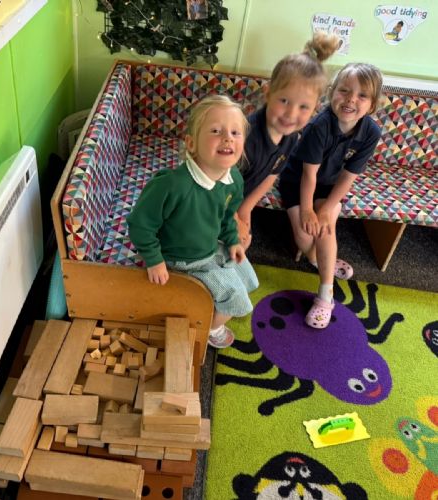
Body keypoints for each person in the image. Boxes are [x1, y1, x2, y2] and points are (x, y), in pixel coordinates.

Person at [127, 95, 259, 349]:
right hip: (182, 260)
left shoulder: (233, 179)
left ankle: (214, 300)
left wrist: (232, 241)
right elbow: (140, 224)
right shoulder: (171, 185)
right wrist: (154, 260)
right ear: (191, 143)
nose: (228, 138)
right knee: (238, 301)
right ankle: (209, 328)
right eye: (216, 131)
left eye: (235, 132)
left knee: (250, 280)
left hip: (211, 245)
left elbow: (226, 216)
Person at [277, 62, 383, 328]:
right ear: (331, 92)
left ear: (372, 105)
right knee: (304, 236)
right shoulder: (319, 126)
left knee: (325, 227)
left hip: (331, 186)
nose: (351, 99)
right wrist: (307, 210)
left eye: (361, 95)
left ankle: (325, 295)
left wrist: (326, 209)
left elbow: (349, 175)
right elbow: (308, 174)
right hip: (297, 180)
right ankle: (323, 260)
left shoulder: (371, 132)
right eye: (344, 90)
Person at [236, 31, 340, 249]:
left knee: (241, 246)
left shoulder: (291, 138)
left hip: (238, 203)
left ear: (315, 109)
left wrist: (245, 210)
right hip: (211, 201)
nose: (291, 114)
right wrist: (234, 218)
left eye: (303, 107)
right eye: (284, 101)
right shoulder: (245, 136)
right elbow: (216, 183)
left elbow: (271, 175)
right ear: (268, 93)